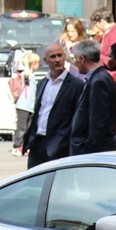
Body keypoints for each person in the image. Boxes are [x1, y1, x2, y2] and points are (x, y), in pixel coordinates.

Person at [21, 41, 84, 169]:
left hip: (59, 145)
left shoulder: (76, 85)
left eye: (60, 55)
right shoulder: (42, 83)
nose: (57, 60)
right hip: (37, 143)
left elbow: (77, 117)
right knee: (34, 184)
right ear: (45, 61)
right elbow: (38, 112)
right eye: (53, 57)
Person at [68, 40, 116, 156]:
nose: (75, 62)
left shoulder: (99, 81)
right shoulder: (98, 78)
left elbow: (98, 121)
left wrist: (88, 146)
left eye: (75, 59)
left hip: (93, 151)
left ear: (82, 59)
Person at [9, 50, 39, 158]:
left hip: (30, 106)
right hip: (23, 105)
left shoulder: (33, 75)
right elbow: (27, 73)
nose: (38, 65)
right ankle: (17, 146)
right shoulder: (26, 74)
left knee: (28, 127)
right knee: (21, 127)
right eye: (36, 63)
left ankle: (24, 146)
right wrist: (26, 62)